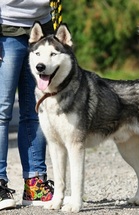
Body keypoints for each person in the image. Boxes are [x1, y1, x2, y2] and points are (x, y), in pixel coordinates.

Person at [0, 0, 55, 210]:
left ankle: (35, 184)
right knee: (2, 111)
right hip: (5, 28)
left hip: (42, 26)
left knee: (35, 111)